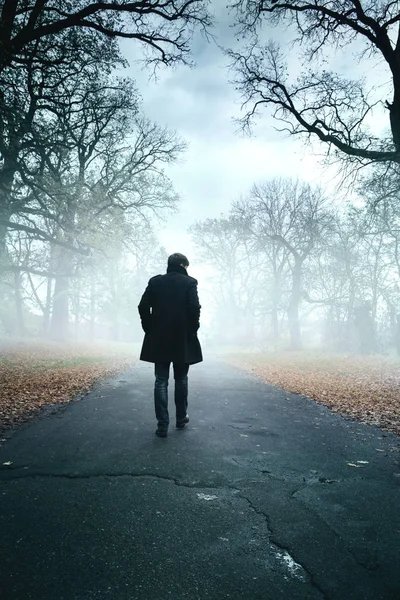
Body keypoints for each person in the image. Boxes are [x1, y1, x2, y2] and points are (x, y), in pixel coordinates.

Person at [138, 252, 203, 437]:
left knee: (161, 380)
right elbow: (194, 307)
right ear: (183, 265)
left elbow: (143, 306)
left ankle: (162, 425)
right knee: (181, 379)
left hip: (159, 338)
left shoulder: (155, 282)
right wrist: (192, 329)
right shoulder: (190, 283)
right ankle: (181, 418)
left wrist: (149, 328)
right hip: (182, 339)